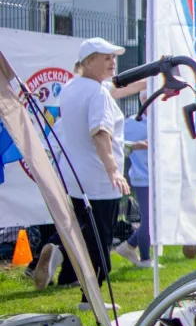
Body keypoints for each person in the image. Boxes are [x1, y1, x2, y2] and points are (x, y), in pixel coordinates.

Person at [42, 38, 131, 303]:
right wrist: (113, 170)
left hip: (76, 179)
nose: (112, 62)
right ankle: (90, 299)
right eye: (106, 58)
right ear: (89, 61)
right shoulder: (97, 93)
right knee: (101, 246)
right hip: (99, 181)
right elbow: (100, 132)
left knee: (85, 235)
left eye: (113, 58)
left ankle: (60, 254)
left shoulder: (71, 87)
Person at [113, 106, 152, 268]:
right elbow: (116, 143)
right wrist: (135, 145)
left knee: (155, 219)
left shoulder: (165, 120)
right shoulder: (132, 123)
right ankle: (145, 259)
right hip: (143, 177)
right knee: (149, 220)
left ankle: (129, 246)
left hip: (160, 177)